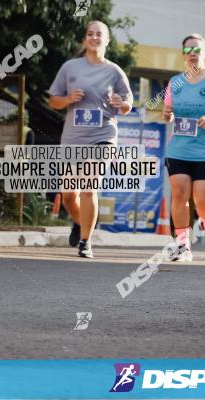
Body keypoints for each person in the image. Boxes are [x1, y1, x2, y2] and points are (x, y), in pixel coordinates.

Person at [48, 20, 133, 258]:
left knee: (88, 187)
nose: (94, 37)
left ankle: (85, 241)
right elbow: (53, 100)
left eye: (99, 34)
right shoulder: (70, 67)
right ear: (85, 39)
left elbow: (128, 104)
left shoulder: (114, 71)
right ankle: (80, 222)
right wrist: (67, 100)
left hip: (103, 136)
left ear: (107, 40)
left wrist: (121, 104)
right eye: (90, 34)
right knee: (68, 196)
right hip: (73, 139)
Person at [162, 33, 205, 262]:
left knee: (204, 200)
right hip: (178, 149)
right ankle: (182, 245)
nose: (192, 55)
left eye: (197, 50)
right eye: (188, 51)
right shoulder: (175, 83)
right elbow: (167, 114)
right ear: (183, 55)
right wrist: (167, 114)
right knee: (179, 193)